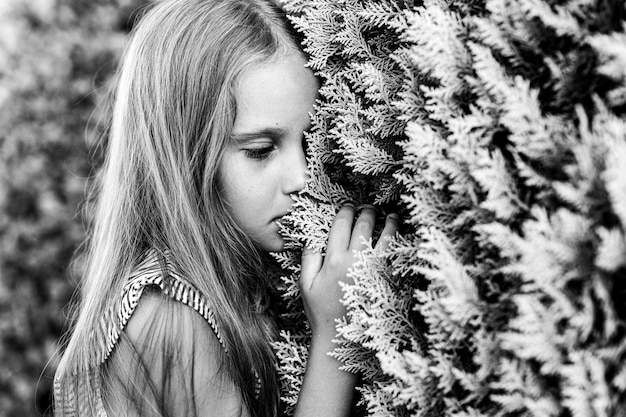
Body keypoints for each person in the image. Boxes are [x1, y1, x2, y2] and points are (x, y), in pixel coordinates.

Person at [53, 0, 399, 416]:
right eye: (261, 150)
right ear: (184, 156)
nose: (302, 178)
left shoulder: (224, 285)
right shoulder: (171, 318)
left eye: (305, 142)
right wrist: (334, 335)